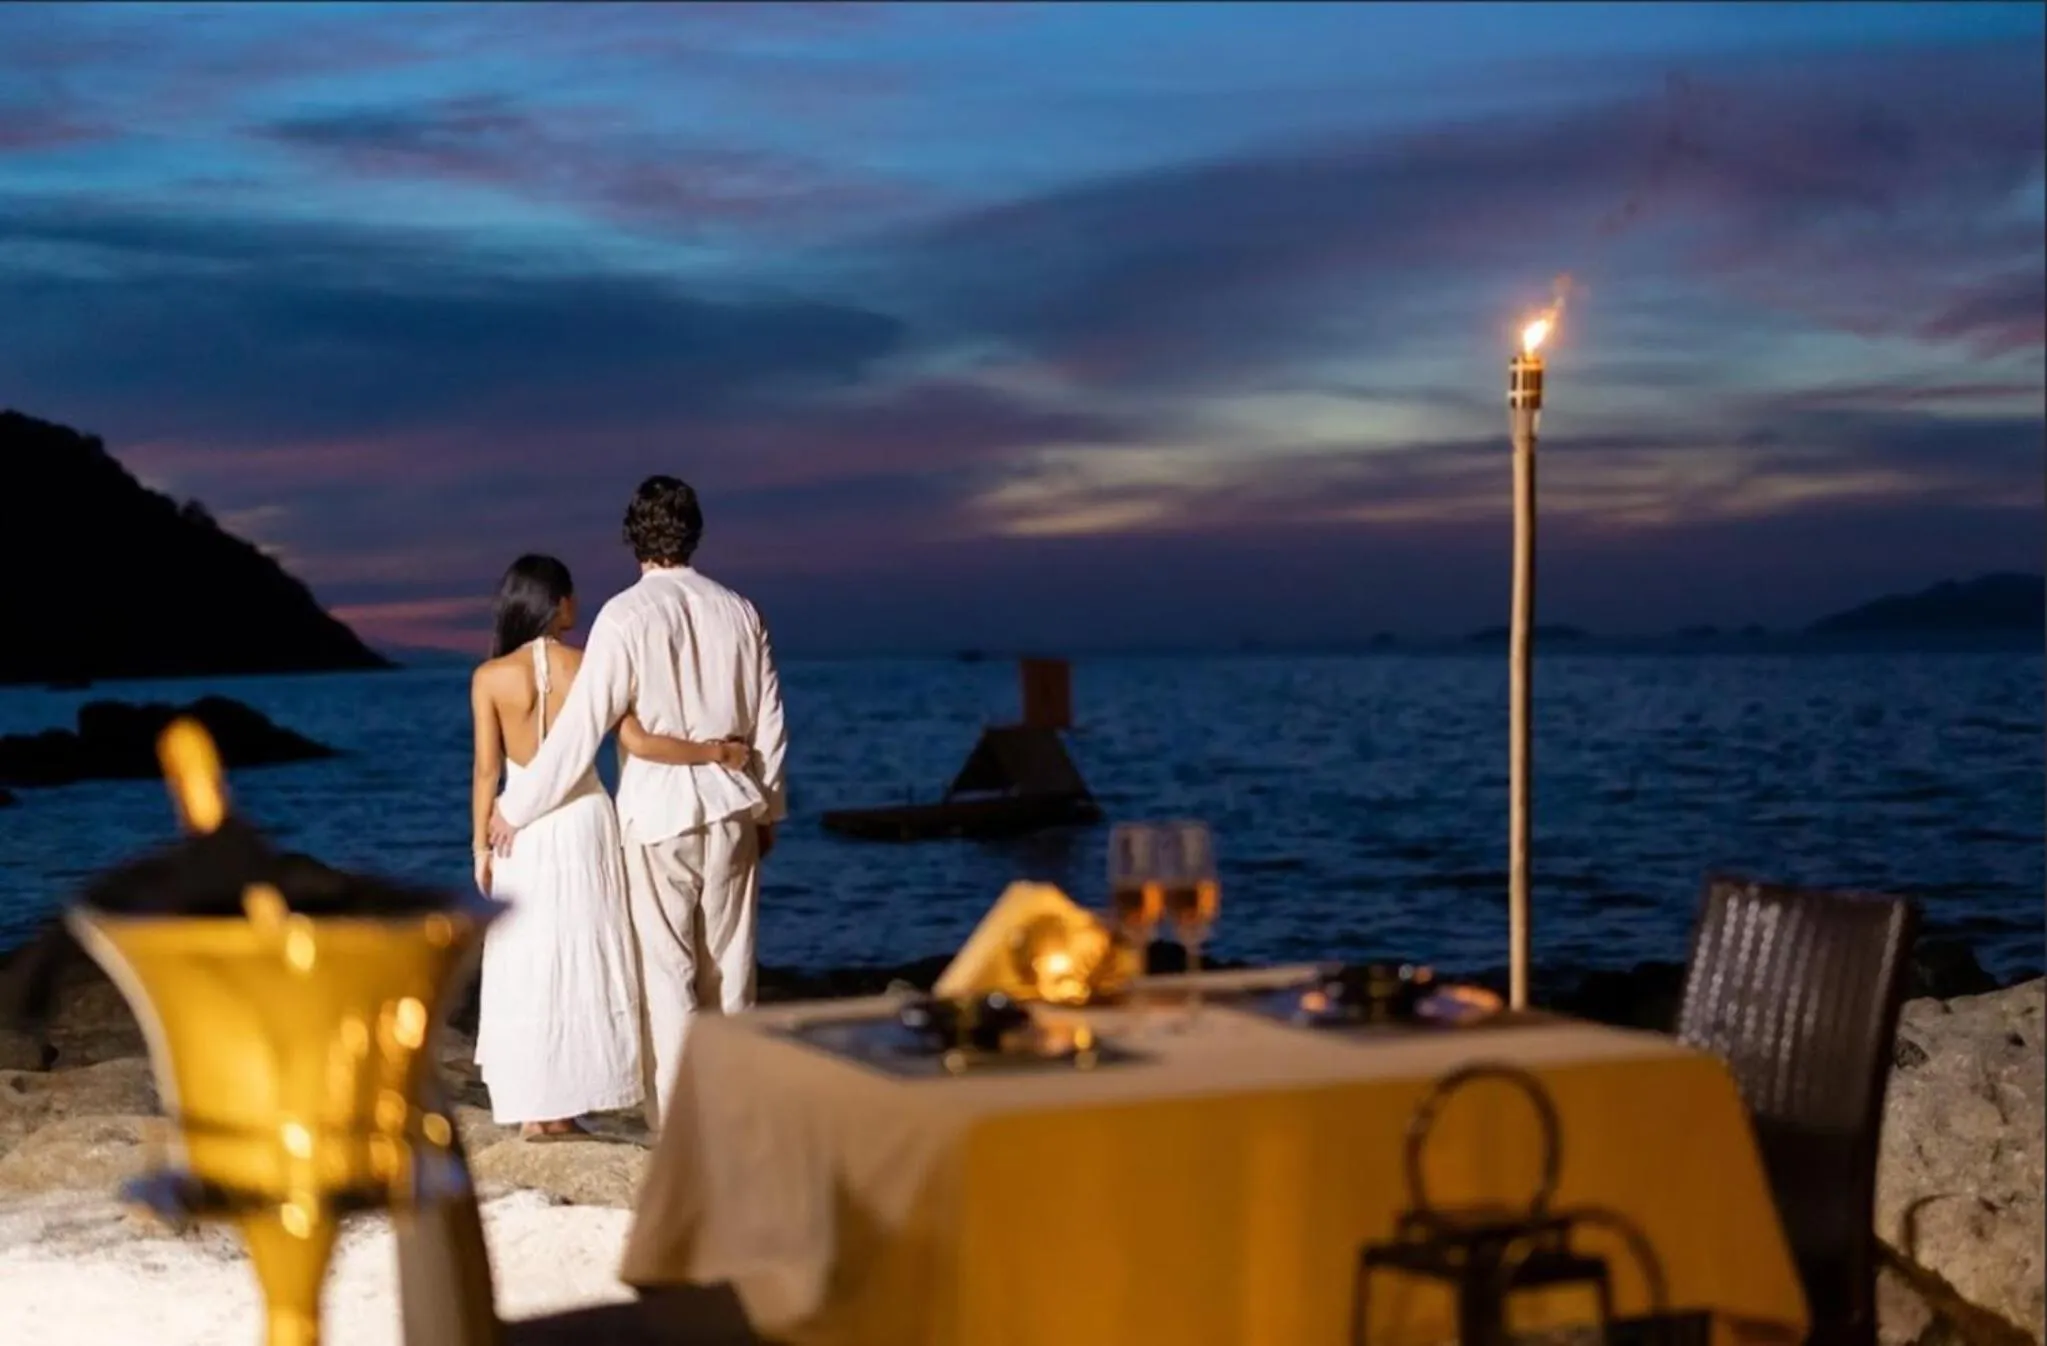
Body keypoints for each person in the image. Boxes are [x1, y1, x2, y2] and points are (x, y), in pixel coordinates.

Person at [489, 478, 788, 1130]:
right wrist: (767, 810)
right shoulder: (740, 610)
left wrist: (516, 807)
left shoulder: (624, 617)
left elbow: (580, 730)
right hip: (733, 810)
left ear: (634, 538)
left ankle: (685, 1136)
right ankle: (738, 1121)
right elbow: (769, 723)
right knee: (732, 980)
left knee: (668, 980)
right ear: (695, 532)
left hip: (657, 819)